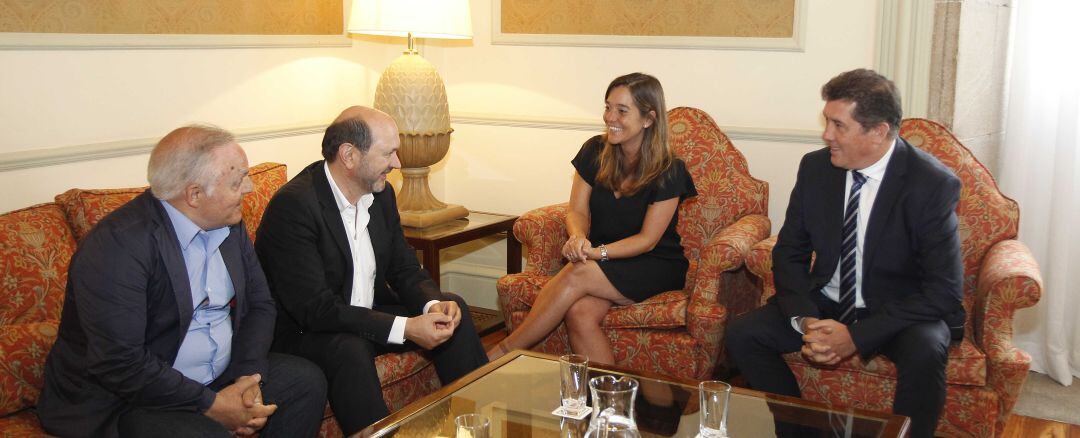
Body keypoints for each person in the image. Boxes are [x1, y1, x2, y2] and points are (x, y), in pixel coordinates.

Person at [37, 126, 327, 438]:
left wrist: (247, 380)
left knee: (305, 383)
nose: (250, 187)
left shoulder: (228, 223)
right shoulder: (118, 246)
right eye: (237, 180)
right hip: (130, 399)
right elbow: (120, 363)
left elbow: (260, 303)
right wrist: (212, 405)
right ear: (194, 194)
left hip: (215, 375)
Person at [724, 69, 964, 438]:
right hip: (828, 302)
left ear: (879, 131)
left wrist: (855, 336)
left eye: (838, 125)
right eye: (826, 122)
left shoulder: (930, 184)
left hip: (898, 309)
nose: (826, 135)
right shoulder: (817, 168)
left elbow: (944, 291)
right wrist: (804, 320)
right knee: (744, 333)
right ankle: (801, 431)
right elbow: (790, 251)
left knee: (927, 349)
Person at [254, 106, 488, 434]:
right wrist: (406, 328)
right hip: (308, 332)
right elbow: (317, 310)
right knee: (348, 350)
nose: (398, 164)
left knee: (454, 310)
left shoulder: (380, 195)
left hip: (362, 315)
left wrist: (432, 306)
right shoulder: (295, 206)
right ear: (349, 155)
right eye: (388, 153)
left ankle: (477, 424)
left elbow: (404, 267)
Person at [487, 72, 697, 365]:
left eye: (622, 111)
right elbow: (577, 211)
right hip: (600, 261)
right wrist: (577, 236)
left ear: (648, 119)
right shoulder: (594, 151)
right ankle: (610, 402)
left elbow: (648, 240)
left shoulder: (670, 169)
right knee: (580, 314)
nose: (610, 117)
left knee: (579, 270)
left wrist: (597, 253)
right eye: (608, 106)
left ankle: (500, 354)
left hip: (653, 263)